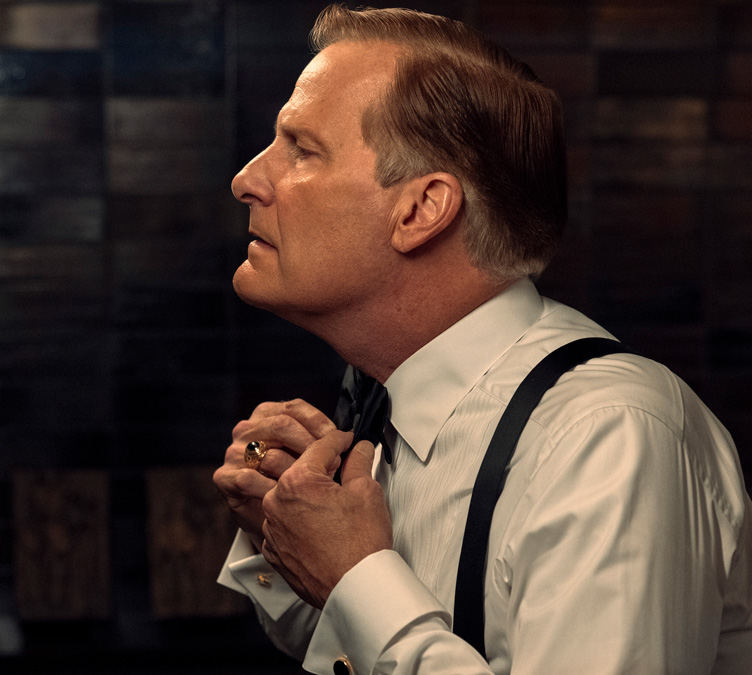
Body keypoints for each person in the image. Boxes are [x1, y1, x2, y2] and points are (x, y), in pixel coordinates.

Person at [212, 5, 752, 675]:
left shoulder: (607, 435)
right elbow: (371, 649)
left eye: (302, 149)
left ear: (421, 210)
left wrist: (356, 578)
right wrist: (286, 536)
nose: (246, 179)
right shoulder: (392, 405)